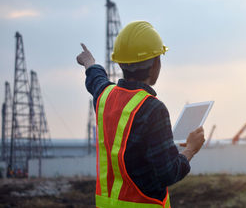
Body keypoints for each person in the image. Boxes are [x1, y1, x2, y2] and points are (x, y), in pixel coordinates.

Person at [76, 21, 205, 208]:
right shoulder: (153, 109)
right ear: (155, 65)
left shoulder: (105, 97)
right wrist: (191, 149)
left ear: (120, 63)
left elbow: (96, 81)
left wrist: (89, 63)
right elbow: (169, 172)